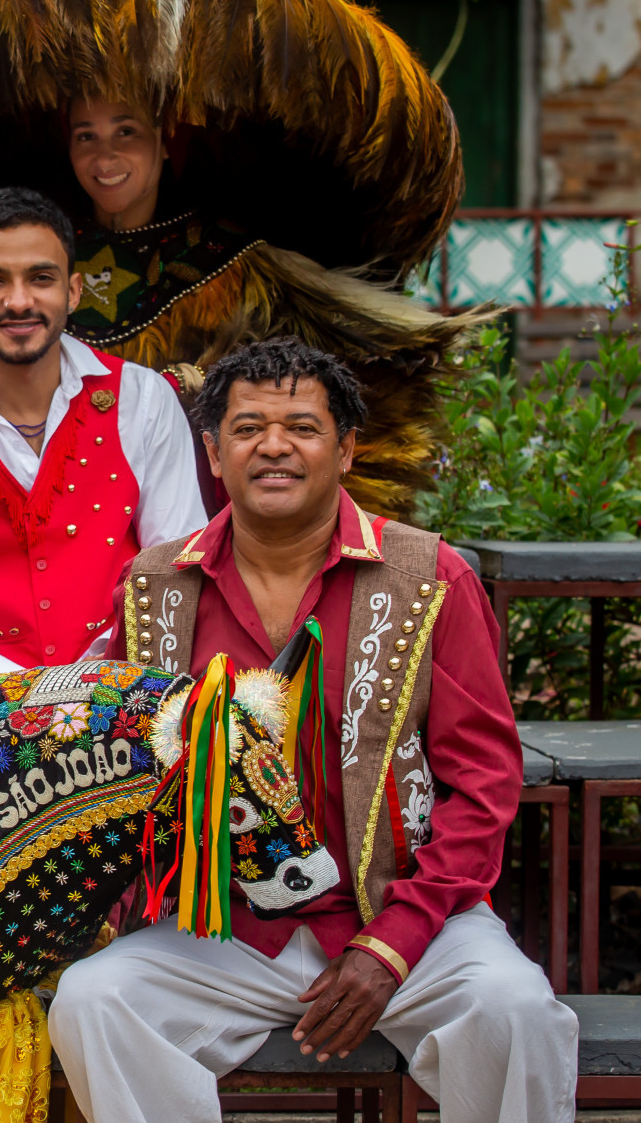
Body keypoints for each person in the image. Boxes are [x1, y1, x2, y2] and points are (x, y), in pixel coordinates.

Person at [48, 338, 577, 1123]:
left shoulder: (429, 575)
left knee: (514, 1012)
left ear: (345, 448)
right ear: (212, 453)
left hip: (406, 919)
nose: (272, 446)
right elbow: (122, 773)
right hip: (223, 928)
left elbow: (483, 782)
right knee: (93, 1001)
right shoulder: (155, 586)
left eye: (300, 426)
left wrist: (391, 943)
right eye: (247, 427)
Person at [0, 187, 204, 683]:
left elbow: (176, 569)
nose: (19, 301)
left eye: (40, 278)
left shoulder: (144, 400)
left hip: (129, 697)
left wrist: (99, 681)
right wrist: (19, 692)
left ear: (72, 291)